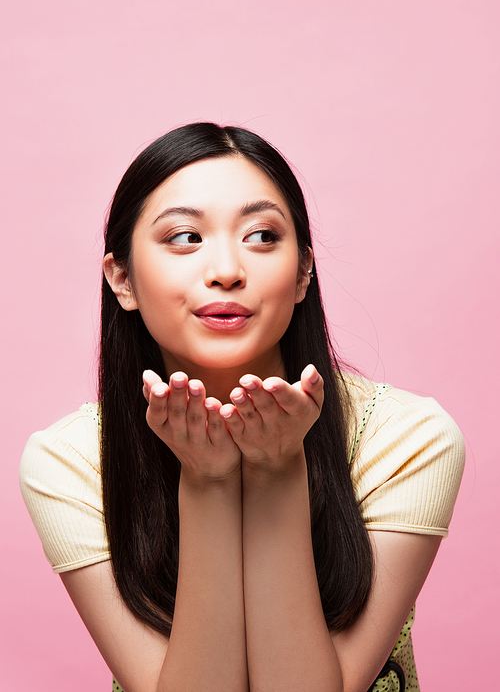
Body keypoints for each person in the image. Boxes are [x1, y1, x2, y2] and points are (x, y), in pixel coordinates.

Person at [19, 122, 465, 692]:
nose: (227, 270)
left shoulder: (408, 439)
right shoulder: (71, 460)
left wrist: (279, 470)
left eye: (260, 236)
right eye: (184, 237)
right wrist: (206, 480)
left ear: (304, 272)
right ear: (122, 279)